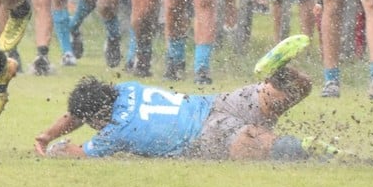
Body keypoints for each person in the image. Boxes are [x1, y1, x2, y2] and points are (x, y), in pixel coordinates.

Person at [33, 36, 341, 161]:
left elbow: (78, 152)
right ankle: (280, 75)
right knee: (296, 90)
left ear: (97, 118)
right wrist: (47, 133)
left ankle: (328, 153)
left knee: (274, 149)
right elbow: (81, 110)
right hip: (217, 102)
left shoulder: (115, 133)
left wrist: (56, 147)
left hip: (208, 134)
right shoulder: (127, 88)